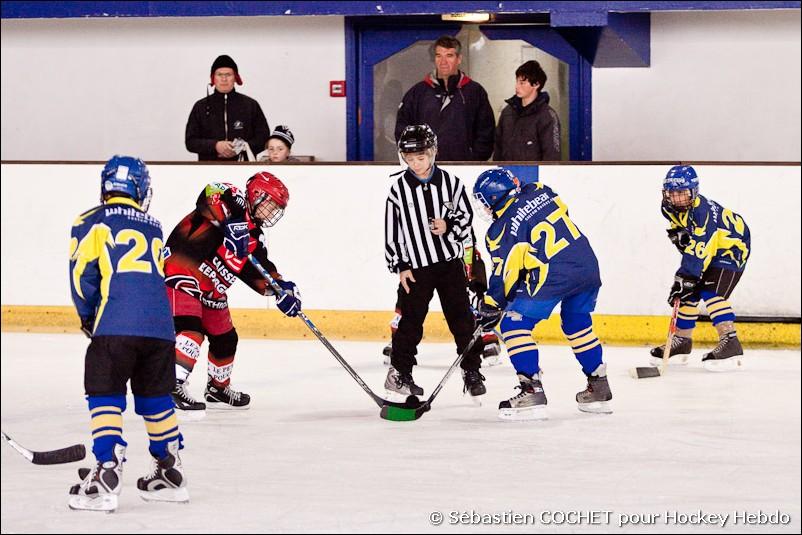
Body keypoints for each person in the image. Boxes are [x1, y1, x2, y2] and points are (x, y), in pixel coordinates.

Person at [68, 156, 188, 512]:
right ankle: (169, 471)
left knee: (104, 391)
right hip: (161, 328)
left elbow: (82, 277)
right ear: (140, 188)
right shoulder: (153, 224)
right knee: (156, 397)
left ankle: (106, 470)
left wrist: (89, 317)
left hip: (116, 323)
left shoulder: (90, 220)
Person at [472, 168, 611, 421]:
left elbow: (505, 273)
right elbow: (557, 218)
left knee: (513, 324)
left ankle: (531, 390)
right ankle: (599, 386)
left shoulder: (499, 230)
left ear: (495, 198)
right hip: (586, 265)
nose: (484, 208)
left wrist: (491, 304)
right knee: (577, 323)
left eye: (484, 201)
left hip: (554, 275)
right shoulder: (540, 191)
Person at [163, 173, 301, 415]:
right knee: (190, 330)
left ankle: (217, 388)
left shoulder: (254, 238)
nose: (273, 213)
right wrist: (233, 222)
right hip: (183, 271)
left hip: (212, 288)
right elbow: (210, 194)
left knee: (226, 338)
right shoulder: (234, 198)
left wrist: (281, 289)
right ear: (257, 196)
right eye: (271, 205)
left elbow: (259, 271)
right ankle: (171, 386)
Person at [384, 124, 486, 401]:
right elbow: (392, 232)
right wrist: (401, 265)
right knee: (410, 323)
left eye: (421, 157)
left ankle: (472, 370)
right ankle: (400, 373)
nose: (415, 163)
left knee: (463, 320)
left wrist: (449, 226)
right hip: (415, 268)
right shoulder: (398, 191)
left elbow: (466, 220)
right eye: (409, 158)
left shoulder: (452, 184)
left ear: (432, 153)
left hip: (449, 264)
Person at [651, 165, 750, 371]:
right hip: (709, 246)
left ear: (694, 192)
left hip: (732, 247)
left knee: (710, 291)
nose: (676, 198)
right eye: (672, 193)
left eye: (681, 193)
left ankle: (730, 341)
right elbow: (682, 233)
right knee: (689, 292)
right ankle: (682, 341)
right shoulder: (667, 207)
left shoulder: (702, 214)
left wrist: (685, 277)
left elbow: (699, 250)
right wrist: (679, 235)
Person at [380, 237, 503, 367]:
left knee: (472, 273)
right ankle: (399, 339)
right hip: (422, 249)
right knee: (410, 290)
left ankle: (485, 333)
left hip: (456, 245)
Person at [395, 35, 495, 162]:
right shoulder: (418, 93)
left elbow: (486, 131)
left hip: (465, 168)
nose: (443, 62)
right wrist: (416, 160)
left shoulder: (474, 92)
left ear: (459, 59)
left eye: (449, 56)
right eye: (438, 56)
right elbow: (403, 129)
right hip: (427, 169)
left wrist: (473, 160)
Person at [185, 54, 270, 161]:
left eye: (228, 74)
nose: (224, 79)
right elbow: (190, 142)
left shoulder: (251, 105)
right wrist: (215, 146)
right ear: (213, 78)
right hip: (208, 169)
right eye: (219, 74)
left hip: (243, 168)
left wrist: (240, 148)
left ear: (235, 78)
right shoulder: (200, 107)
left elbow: (263, 138)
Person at [494, 60, 561, 162]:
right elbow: (498, 147)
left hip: (533, 176)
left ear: (536, 84)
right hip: (506, 174)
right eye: (517, 81)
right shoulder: (507, 112)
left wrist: (545, 177)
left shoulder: (547, 116)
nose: (517, 86)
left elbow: (552, 155)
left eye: (522, 83)